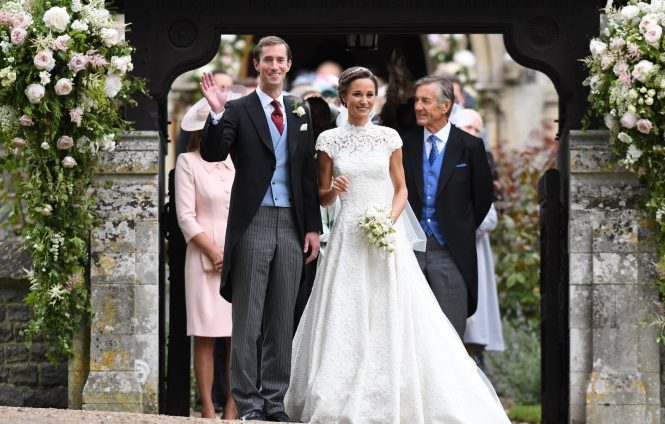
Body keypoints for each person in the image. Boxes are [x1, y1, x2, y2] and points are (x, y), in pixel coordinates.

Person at [284, 66, 509, 423]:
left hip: (384, 236)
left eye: (370, 94)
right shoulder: (328, 141)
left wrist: (388, 221)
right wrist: (333, 191)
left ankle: (398, 391)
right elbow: (322, 196)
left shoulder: (389, 137)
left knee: (395, 311)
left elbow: (401, 188)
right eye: (357, 94)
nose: (364, 101)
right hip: (347, 237)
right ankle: (338, 394)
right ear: (344, 97)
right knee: (347, 312)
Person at [199, 35, 322, 422]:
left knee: (282, 316)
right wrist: (217, 114)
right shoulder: (237, 109)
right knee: (248, 319)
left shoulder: (300, 110)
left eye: (279, 60)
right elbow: (213, 152)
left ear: (288, 65)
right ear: (256, 65)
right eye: (266, 59)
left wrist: (313, 228)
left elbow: (305, 174)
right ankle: (249, 405)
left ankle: (275, 402)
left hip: (291, 223)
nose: (273, 65)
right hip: (252, 221)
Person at [401, 75, 493, 339]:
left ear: (446, 106)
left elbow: (483, 197)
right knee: (410, 333)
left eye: (425, 101)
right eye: (417, 101)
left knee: (450, 335)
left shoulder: (470, 147)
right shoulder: (403, 144)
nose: (418, 106)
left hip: (450, 252)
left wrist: (459, 229)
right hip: (410, 249)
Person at [175, 97, 238, 419]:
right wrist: (213, 252)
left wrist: (233, 254)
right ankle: (207, 410)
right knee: (205, 334)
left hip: (237, 260)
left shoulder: (236, 163)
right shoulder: (188, 162)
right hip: (202, 259)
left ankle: (232, 408)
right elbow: (186, 216)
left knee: (234, 336)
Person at [454, 108, 505, 367]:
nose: (472, 133)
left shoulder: (480, 160)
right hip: (445, 248)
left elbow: (490, 213)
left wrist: (463, 228)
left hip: (472, 244)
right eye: (468, 127)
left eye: (476, 129)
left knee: (474, 324)